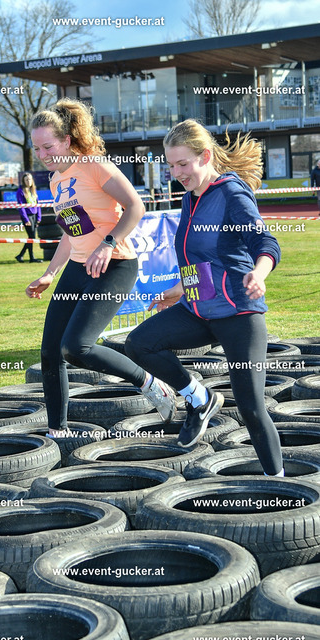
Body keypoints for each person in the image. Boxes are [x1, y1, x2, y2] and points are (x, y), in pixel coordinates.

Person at [125, 119, 284, 477]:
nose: (176, 173)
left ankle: (280, 483)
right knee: (139, 343)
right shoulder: (189, 197)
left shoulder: (231, 193)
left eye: (183, 164)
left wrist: (259, 274)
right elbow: (201, 256)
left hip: (238, 313)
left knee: (251, 409)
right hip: (198, 309)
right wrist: (181, 288)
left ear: (205, 156)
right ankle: (200, 399)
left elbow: (266, 243)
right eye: (171, 165)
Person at [25, 98, 175, 434]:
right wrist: (50, 273)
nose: (43, 154)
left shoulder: (94, 166)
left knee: (77, 347)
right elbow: (71, 232)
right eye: (37, 148)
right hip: (78, 269)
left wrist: (107, 244)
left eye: (48, 146)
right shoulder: (55, 180)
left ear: (66, 140)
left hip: (115, 265)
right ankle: (58, 431)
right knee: (51, 352)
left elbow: (135, 206)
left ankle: (150, 383)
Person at [15, 172, 43, 263]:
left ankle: (21, 255)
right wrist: (26, 219)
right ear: (23, 181)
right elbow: (21, 207)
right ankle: (30, 257)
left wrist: (39, 218)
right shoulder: (20, 191)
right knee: (31, 236)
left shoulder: (33, 191)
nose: (28, 181)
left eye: (30, 179)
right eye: (26, 180)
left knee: (32, 237)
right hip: (27, 216)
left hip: (34, 216)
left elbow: (38, 205)